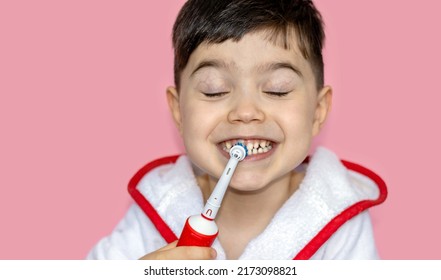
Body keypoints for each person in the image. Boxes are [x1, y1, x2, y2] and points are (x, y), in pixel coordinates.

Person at [87, 0, 387, 260]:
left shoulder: (340, 222)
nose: (245, 112)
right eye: (214, 90)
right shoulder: (154, 209)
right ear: (179, 112)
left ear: (318, 112)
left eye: (277, 90)